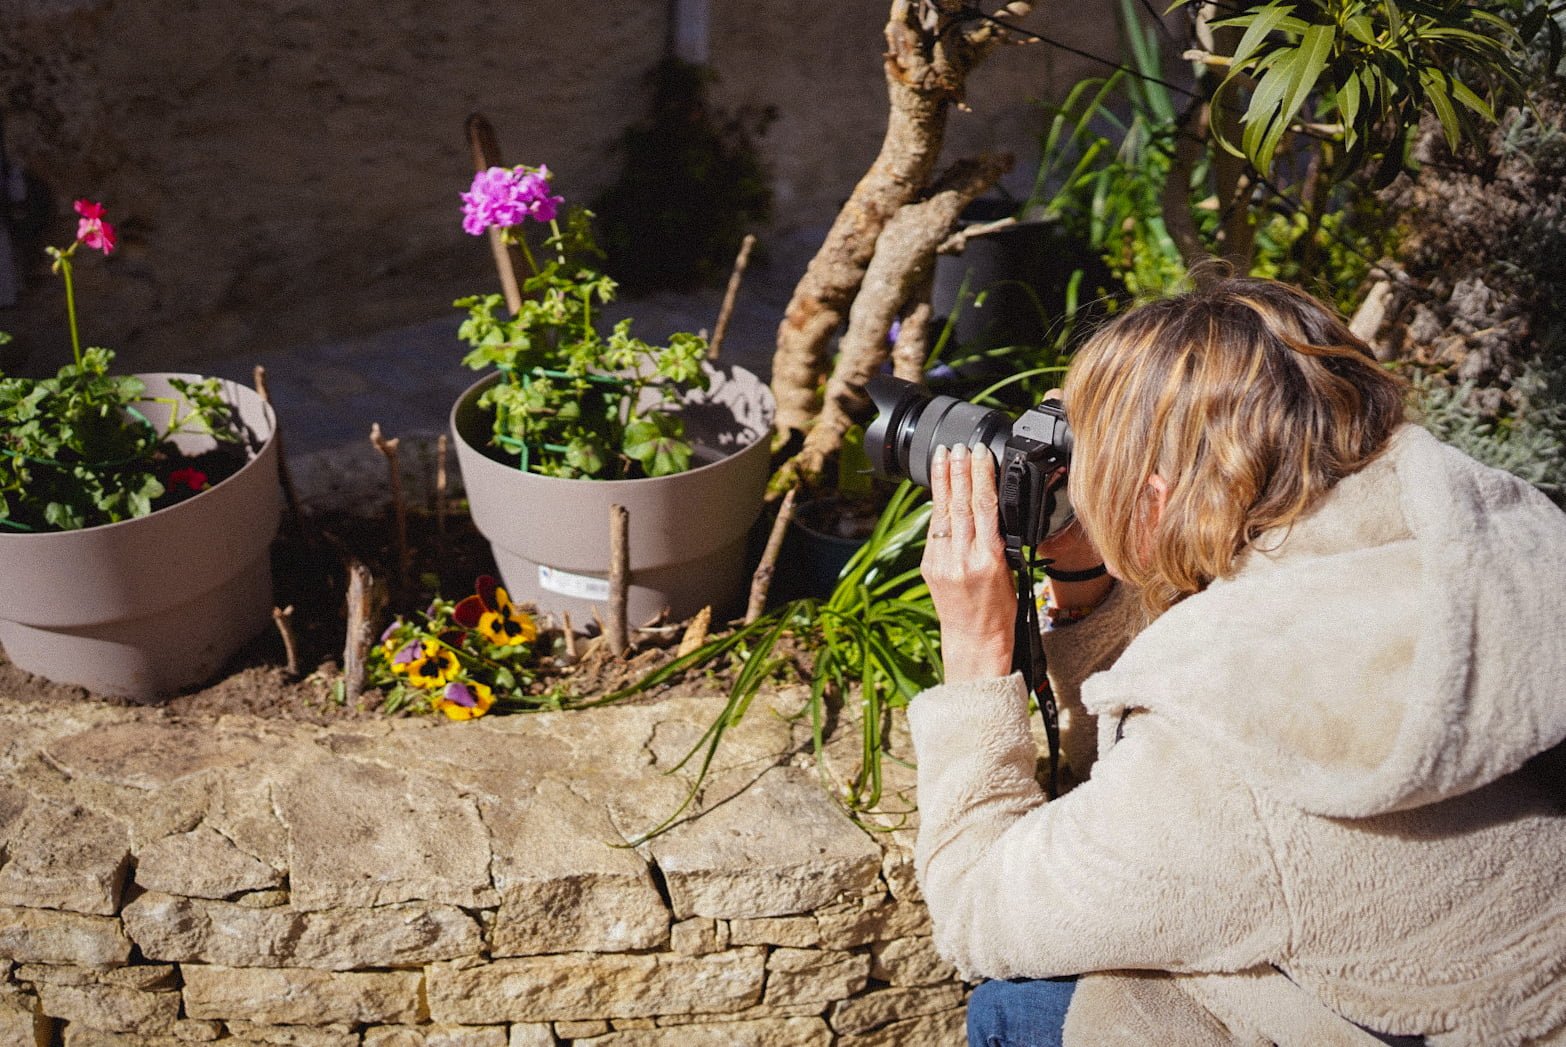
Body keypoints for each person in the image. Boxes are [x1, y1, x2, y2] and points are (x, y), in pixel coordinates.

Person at [910, 276, 1566, 1046]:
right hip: (1516, 979)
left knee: (1015, 1008)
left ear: (1153, 500)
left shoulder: (1221, 753)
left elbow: (976, 909)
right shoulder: (1484, 531)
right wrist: (1088, 586)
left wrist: (976, 656)